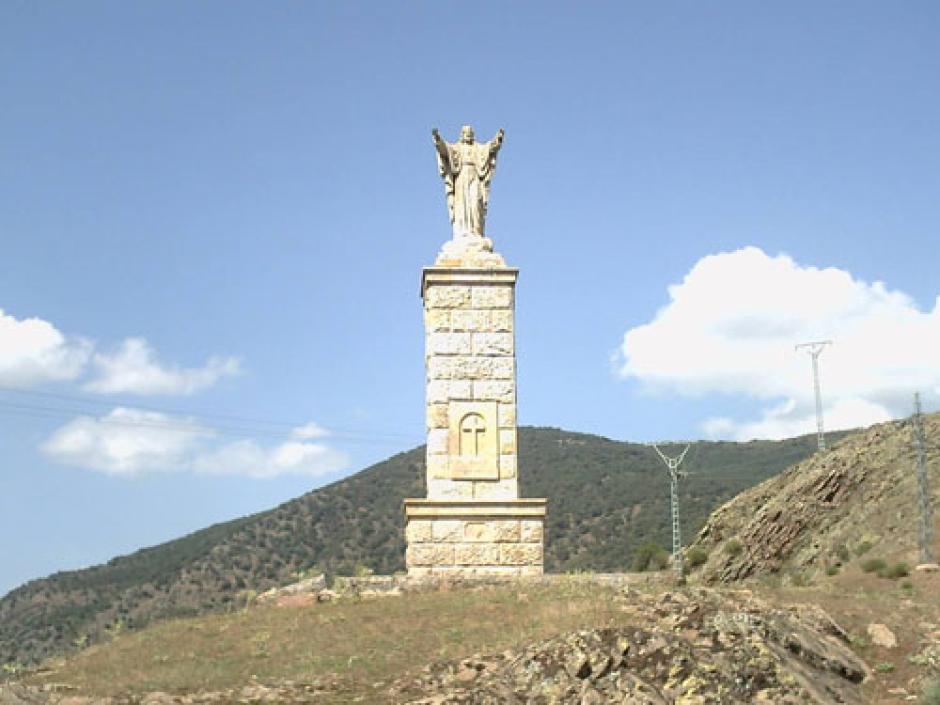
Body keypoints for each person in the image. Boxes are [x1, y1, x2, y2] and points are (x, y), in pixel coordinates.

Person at [432, 125, 504, 239]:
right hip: (461, 177)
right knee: (462, 205)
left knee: (475, 202)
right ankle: (463, 232)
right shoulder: (456, 148)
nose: (468, 135)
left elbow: (490, 147)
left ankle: (476, 231)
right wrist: (437, 139)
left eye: (470, 133)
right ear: (462, 134)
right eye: (466, 132)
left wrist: (498, 139)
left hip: (475, 176)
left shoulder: (478, 148)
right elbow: (444, 149)